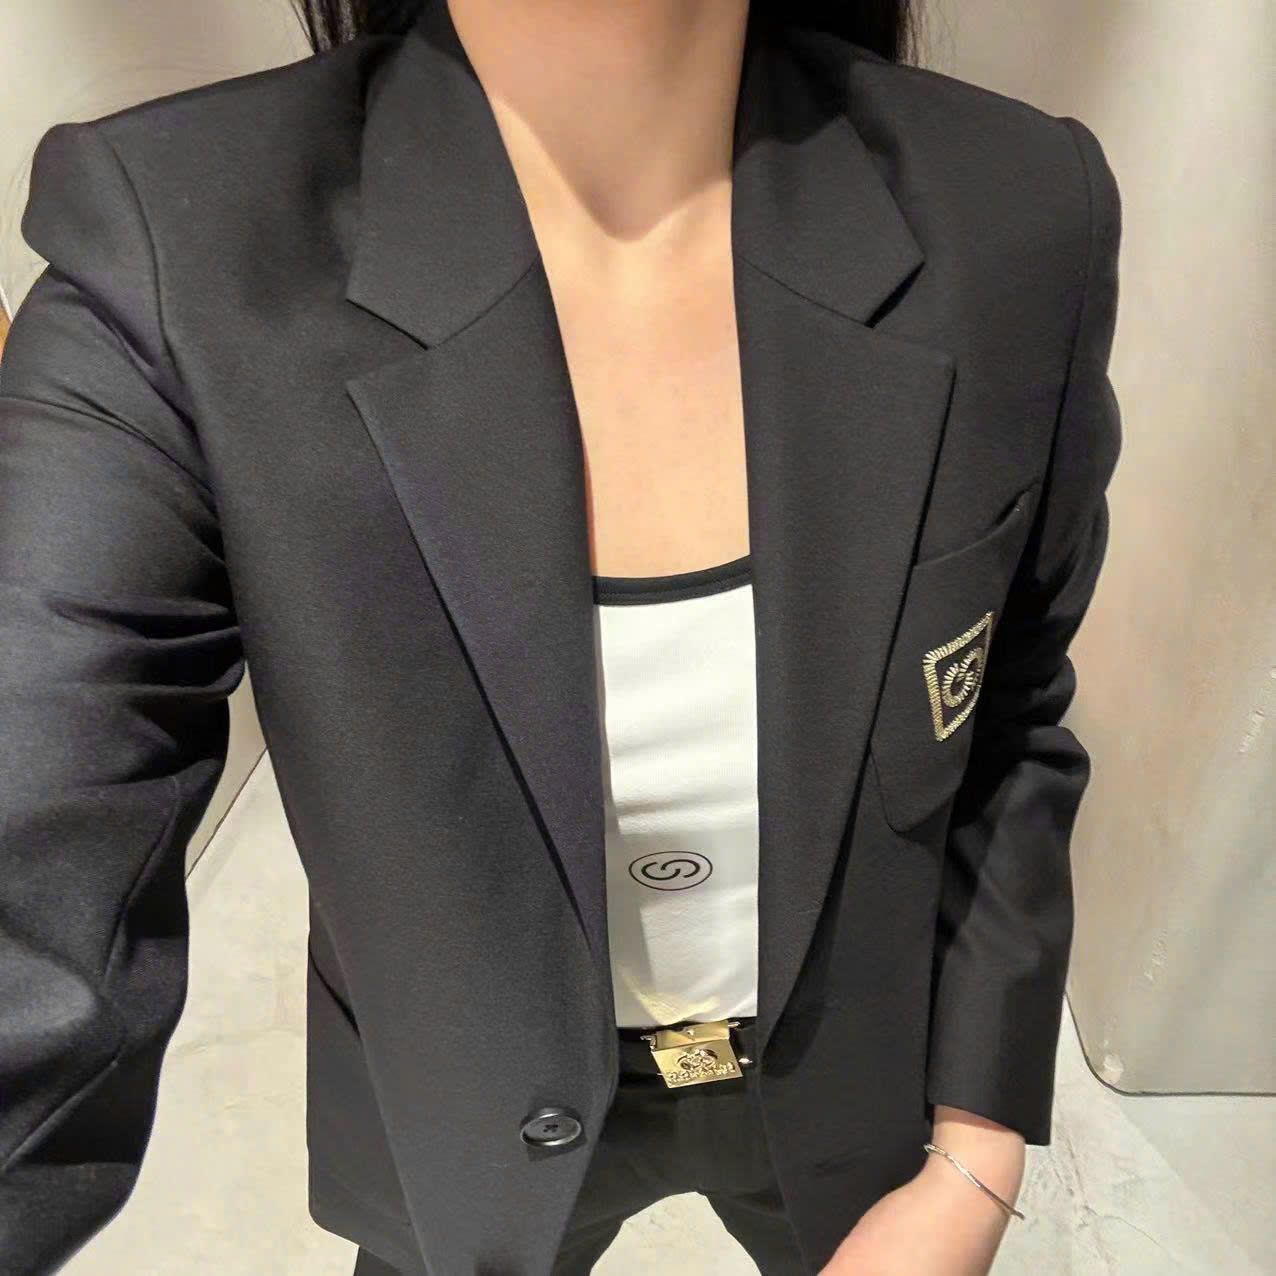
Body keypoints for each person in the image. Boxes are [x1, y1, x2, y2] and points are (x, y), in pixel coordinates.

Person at [0, 0, 1122, 1272]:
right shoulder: (177, 250)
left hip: (855, 1095)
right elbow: (36, 813)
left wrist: (977, 1146)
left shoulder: (1016, 209)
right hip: (459, 1121)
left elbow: (1012, 709)